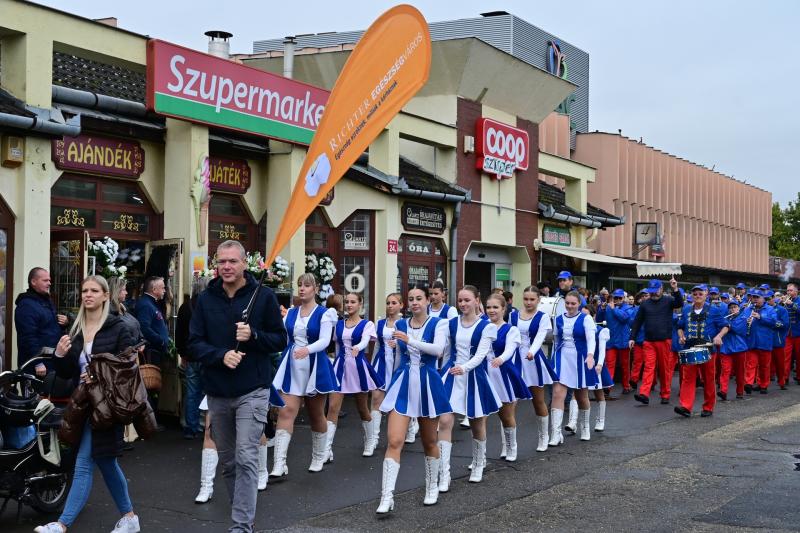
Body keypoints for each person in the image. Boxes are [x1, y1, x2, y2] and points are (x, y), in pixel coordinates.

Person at [188, 240, 287, 533]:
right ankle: (245, 517)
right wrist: (221, 355)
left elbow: (279, 340)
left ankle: (241, 526)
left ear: (245, 263)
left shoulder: (264, 297)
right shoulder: (206, 300)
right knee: (229, 462)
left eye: (232, 261)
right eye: (221, 262)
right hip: (217, 392)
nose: (227, 267)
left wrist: (253, 335)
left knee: (246, 457)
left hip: (253, 390)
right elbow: (193, 344)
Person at [35, 275, 139, 533]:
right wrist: (59, 355)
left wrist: (98, 373)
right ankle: (129, 517)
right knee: (105, 462)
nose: (88, 295)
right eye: (84, 290)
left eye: (94, 290)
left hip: (106, 406)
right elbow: (67, 372)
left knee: (83, 463)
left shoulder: (118, 327)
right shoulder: (75, 329)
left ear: (105, 295)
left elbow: (128, 367)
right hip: (82, 405)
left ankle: (62, 524)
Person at [376, 283, 450, 513]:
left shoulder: (440, 323)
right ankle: (386, 497)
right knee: (395, 440)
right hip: (404, 383)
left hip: (428, 383)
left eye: (419, 298)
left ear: (428, 300)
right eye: (411, 298)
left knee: (429, 441)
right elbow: (398, 357)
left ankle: (432, 487)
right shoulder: (399, 324)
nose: (415, 302)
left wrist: (410, 341)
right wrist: (391, 386)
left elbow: (438, 350)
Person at [270, 273, 339, 477]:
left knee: (316, 413)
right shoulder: (290, 313)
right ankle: (279, 464)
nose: (302, 288)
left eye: (307, 285)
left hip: (315, 367)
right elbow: (280, 336)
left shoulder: (325, 313)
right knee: (285, 411)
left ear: (315, 289)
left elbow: (326, 340)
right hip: (292, 367)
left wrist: (307, 350)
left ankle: (319, 456)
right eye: (299, 285)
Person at [438, 285, 500, 486]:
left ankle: (479, 462)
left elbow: (481, 355)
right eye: (460, 300)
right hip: (452, 375)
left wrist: (464, 368)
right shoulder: (451, 323)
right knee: (445, 421)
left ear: (476, 300)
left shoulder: (487, 326)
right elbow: (447, 350)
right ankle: (444, 473)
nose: (463, 304)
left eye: (467, 300)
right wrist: (444, 370)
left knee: (476, 424)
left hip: (475, 377)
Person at [327, 292, 382, 459]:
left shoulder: (367, 324)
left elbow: (366, 341)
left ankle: (371, 440)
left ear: (360, 304)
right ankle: (326, 450)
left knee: (362, 408)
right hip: (340, 367)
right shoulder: (339, 325)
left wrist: (358, 346)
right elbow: (337, 346)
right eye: (347, 302)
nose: (349, 304)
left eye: (352, 302)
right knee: (332, 408)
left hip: (358, 367)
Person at [485, 293, 530, 462]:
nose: (491, 310)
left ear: (504, 309)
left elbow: (510, 349)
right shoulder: (482, 325)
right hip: (483, 372)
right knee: (480, 417)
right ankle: (479, 457)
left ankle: (511, 447)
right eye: (488, 307)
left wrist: (500, 359)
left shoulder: (511, 329)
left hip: (502, 373)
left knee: (505, 414)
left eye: (495, 307)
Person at [512, 285, 557, 452]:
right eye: (526, 299)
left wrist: (531, 351)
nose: (528, 302)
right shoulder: (513, 315)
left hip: (532, 360)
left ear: (539, 300)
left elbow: (539, 337)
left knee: (538, 401)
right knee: (511, 403)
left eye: (532, 299)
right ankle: (509, 445)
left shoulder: (543, 317)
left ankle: (544, 437)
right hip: (515, 359)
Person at [550, 291, 597, 444]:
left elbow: (591, 339)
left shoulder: (586, 318)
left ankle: (584, 427)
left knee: (582, 396)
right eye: (567, 303)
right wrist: (553, 359)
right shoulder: (558, 319)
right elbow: (556, 340)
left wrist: (590, 355)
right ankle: (556, 434)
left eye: (573, 304)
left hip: (579, 359)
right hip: (562, 357)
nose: (570, 306)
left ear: (579, 304)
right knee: (557, 394)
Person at [675, 285, 728, 417]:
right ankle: (685, 407)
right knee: (688, 379)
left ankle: (708, 407)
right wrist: (681, 336)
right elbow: (680, 326)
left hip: (707, 349)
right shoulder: (687, 309)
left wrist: (718, 336)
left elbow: (726, 326)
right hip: (690, 348)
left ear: (706, 295)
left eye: (700, 293)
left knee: (708, 379)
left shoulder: (714, 310)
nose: (697, 296)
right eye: (695, 294)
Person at [629, 277, 683, 405]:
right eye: (651, 290)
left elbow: (679, 303)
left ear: (661, 289)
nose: (653, 293)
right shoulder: (645, 304)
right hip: (649, 341)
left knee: (664, 369)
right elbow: (637, 322)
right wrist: (632, 338)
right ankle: (644, 393)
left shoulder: (668, 300)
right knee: (649, 367)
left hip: (664, 340)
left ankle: (665, 394)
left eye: (655, 290)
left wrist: (675, 288)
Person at [15, 267, 67, 377]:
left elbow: (48, 328)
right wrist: (37, 363)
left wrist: (63, 324)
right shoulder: (26, 305)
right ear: (33, 282)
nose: (49, 283)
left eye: (49, 280)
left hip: (51, 362)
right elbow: (28, 338)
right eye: (45, 280)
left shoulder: (46, 301)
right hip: (36, 367)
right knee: (35, 394)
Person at [176, 277, 210, 440]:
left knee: (191, 392)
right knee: (208, 391)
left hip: (190, 356)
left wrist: (182, 354)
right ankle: (206, 425)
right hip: (207, 355)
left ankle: (191, 427)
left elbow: (179, 334)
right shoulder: (209, 307)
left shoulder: (184, 307)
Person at [370, 293, 404, 452]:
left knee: (397, 400)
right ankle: (373, 439)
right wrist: (371, 366)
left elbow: (410, 346)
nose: (390, 305)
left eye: (394, 303)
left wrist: (398, 344)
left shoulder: (405, 324)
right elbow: (377, 345)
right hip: (381, 363)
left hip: (397, 364)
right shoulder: (380, 322)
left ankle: (408, 427)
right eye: (388, 303)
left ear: (401, 305)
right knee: (376, 398)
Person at [135, 276, 170, 418]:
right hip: (151, 352)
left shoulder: (151, 303)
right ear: (154, 289)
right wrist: (161, 341)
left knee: (153, 386)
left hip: (155, 351)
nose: (165, 290)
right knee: (150, 386)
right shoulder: (145, 304)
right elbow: (144, 328)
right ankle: (149, 420)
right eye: (162, 287)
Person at [742, 290, 777, 394]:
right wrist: (746, 321)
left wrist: (760, 317)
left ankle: (763, 385)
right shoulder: (748, 309)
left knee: (764, 366)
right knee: (750, 364)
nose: (755, 299)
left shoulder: (770, 309)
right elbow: (742, 320)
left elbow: (774, 322)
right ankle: (748, 383)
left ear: (763, 298)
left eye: (757, 297)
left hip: (765, 341)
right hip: (751, 341)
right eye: (753, 297)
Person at [586, 304, 612, 431]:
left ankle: (600, 420)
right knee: (578, 392)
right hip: (582, 363)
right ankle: (573, 422)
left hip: (595, 364)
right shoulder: (577, 329)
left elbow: (602, 350)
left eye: (587, 315)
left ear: (594, 316)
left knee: (598, 392)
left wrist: (600, 364)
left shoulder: (601, 331)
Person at [604, 289, 635, 394]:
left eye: (619, 298)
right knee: (609, 364)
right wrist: (601, 308)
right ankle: (607, 387)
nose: (617, 300)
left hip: (623, 341)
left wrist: (613, 309)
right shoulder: (608, 307)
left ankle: (626, 386)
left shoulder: (629, 308)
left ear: (623, 298)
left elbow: (624, 318)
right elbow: (600, 318)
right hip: (611, 341)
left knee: (625, 366)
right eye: (615, 298)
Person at [719, 300, 748, 400]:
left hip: (739, 348)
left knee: (740, 372)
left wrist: (726, 324)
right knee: (725, 370)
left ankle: (740, 391)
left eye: (735, 307)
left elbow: (737, 329)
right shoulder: (727, 318)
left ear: (738, 308)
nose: (732, 309)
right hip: (726, 348)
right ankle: (723, 391)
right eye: (731, 308)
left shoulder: (743, 318)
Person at [768, 291, 789, 389]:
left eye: (769, 298)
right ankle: (763, 384)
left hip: (777, 341)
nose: (767, 300)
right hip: (765, 340)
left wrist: (772, 322)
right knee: (764, 364)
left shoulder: (781, 309)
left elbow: (785, 325)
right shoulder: (761, 309)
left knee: (780, 364)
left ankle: (782, 382)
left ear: (773, 298)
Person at [628, 290, 649, 389]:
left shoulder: (654, 308)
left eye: (647, 296)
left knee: (649, 364)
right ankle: (634, 380)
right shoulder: (636, 309)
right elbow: (632, 323)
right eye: (643, 296)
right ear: (640, 298)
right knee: (637, 361)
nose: (645, 298)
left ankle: (650, 383)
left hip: (650, 340)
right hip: (639, 339)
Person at [783, 283, 800, 384]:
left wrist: (792, 305)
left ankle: (799, 377)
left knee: (799, 356)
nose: (788, 292)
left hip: (798, 331)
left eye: (791, 290)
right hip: (788, 332)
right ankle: (785, 378)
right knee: (786, 356)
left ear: (796, 291)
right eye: (788, 290)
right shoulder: (786, 301)